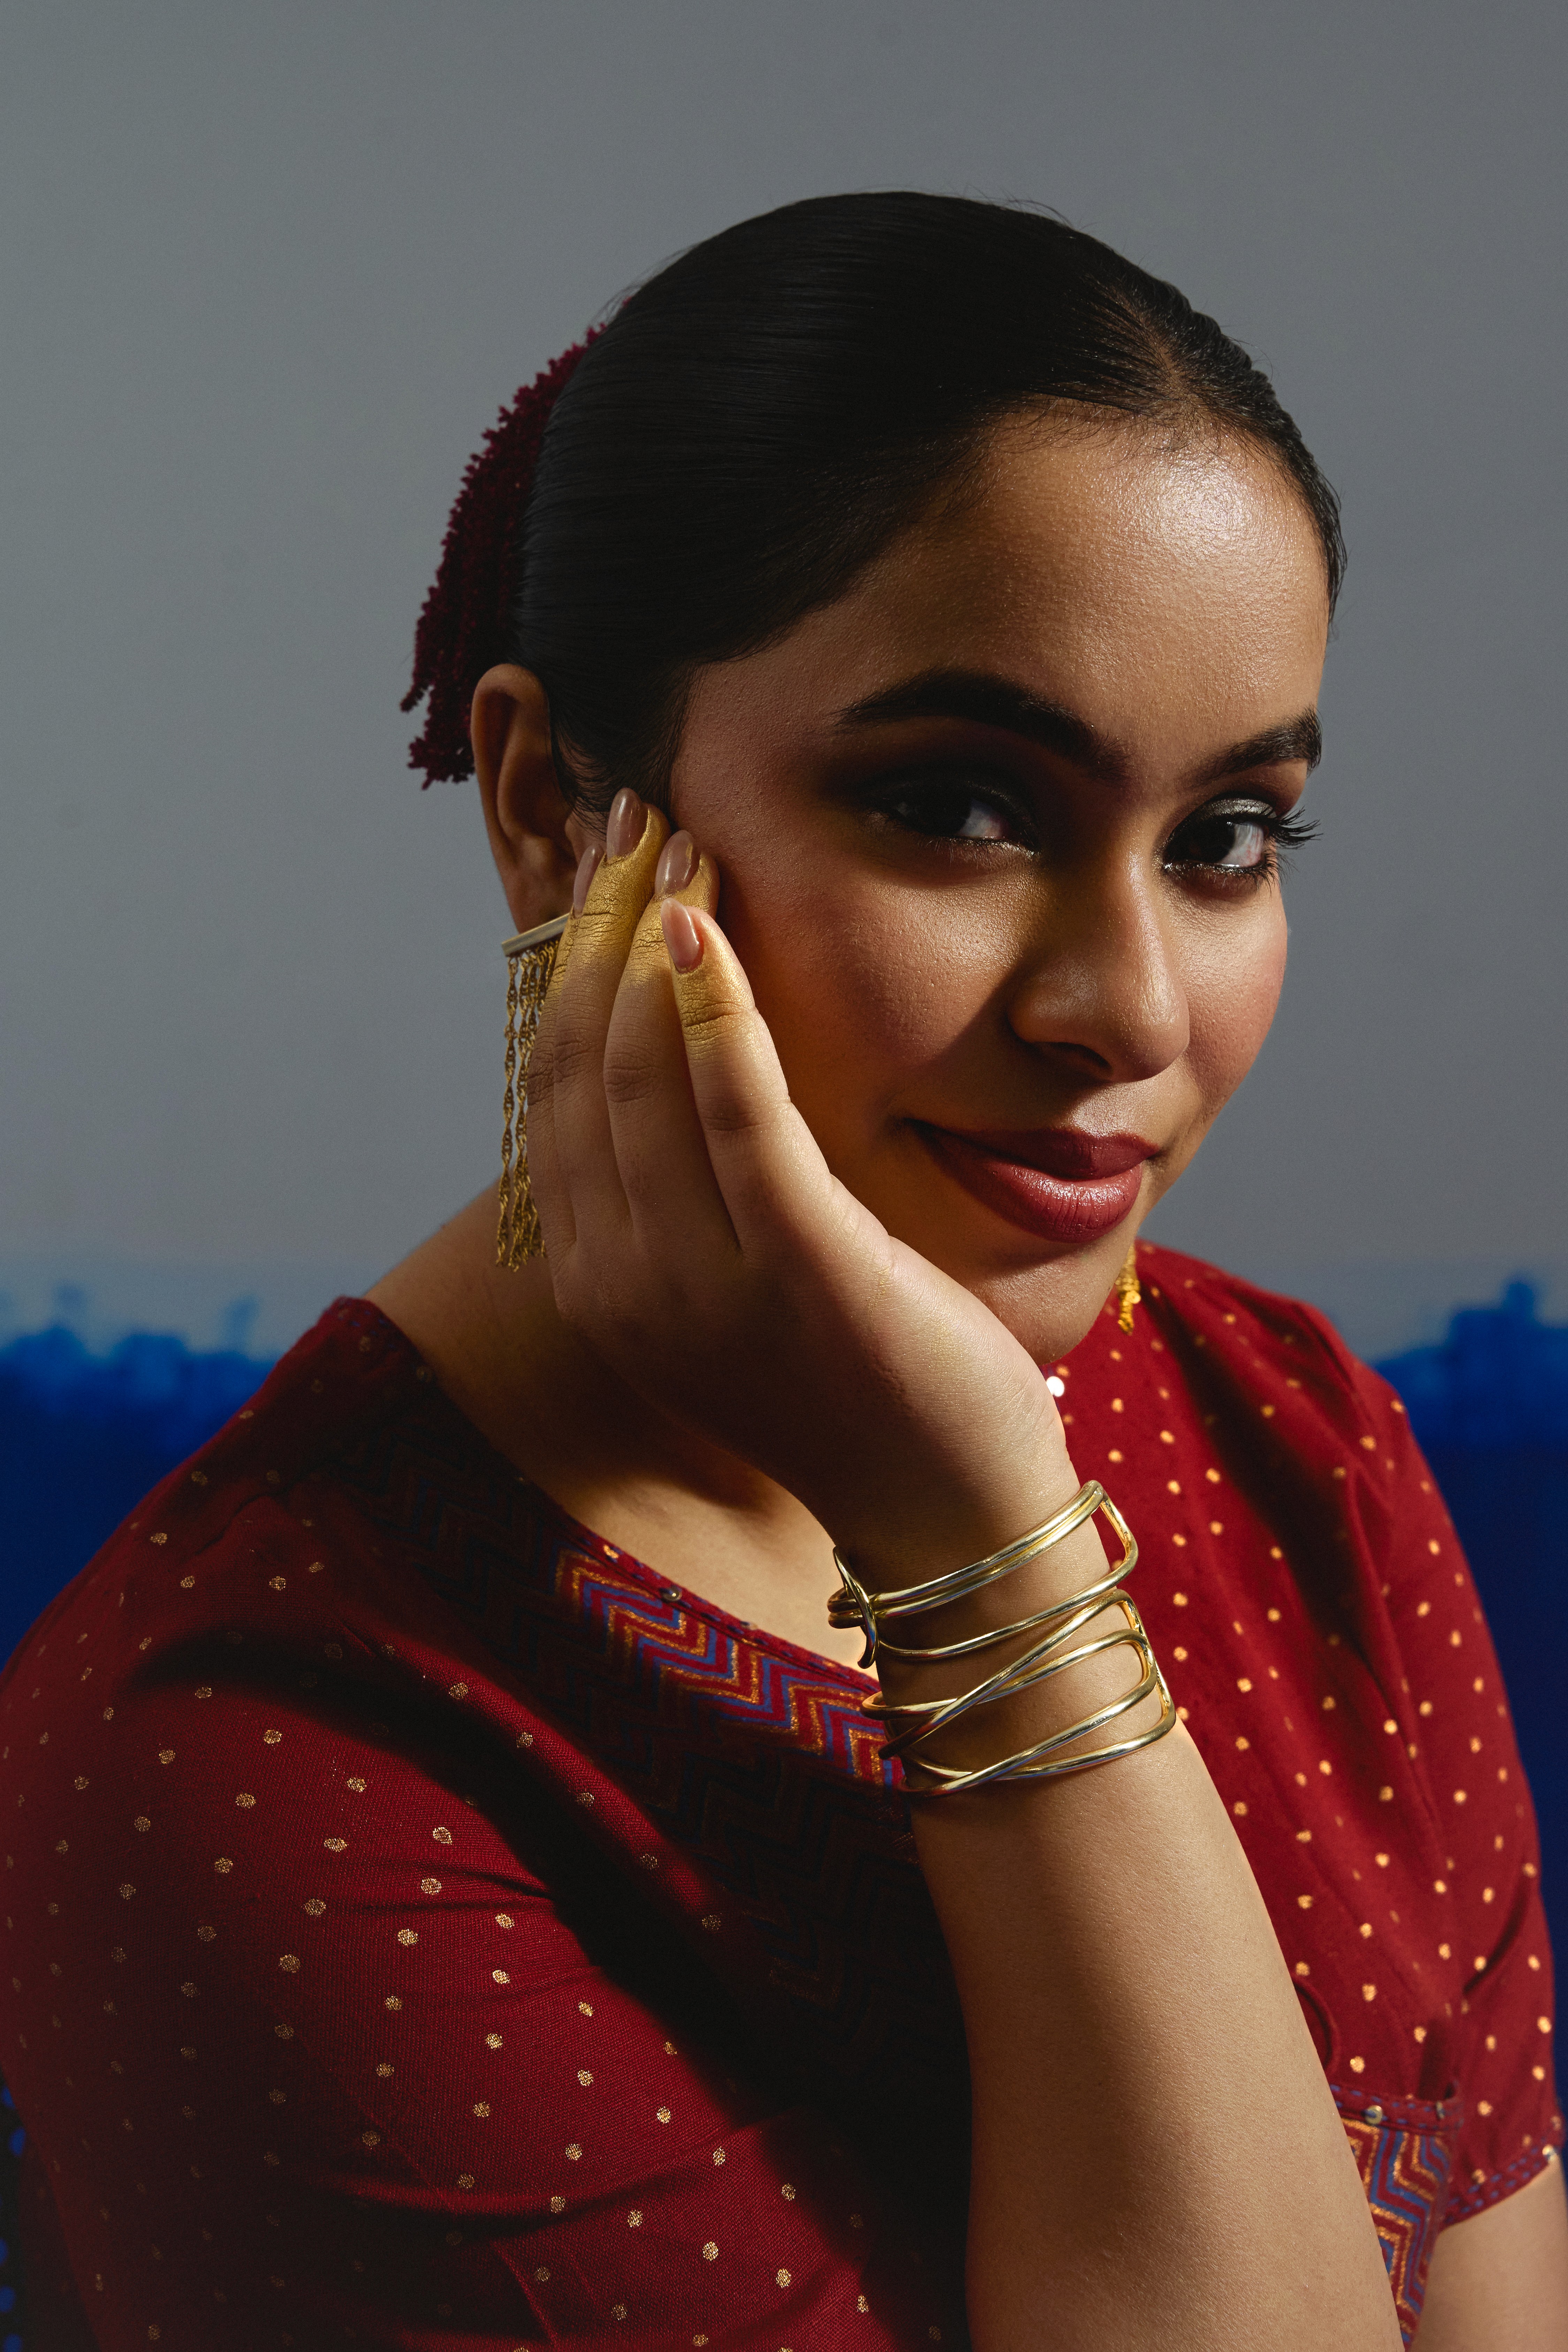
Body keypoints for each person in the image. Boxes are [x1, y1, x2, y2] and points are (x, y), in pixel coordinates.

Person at [0, 192, 1561, 2351]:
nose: (1127, 1007)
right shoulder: (248, 1765)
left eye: (1223, 841)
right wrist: (978, 1544)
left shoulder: (1292, 1450)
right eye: (961, 807)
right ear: (553, 805)